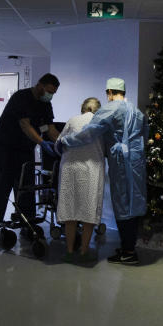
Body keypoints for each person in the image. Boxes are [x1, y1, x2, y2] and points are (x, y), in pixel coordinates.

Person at [58, 77, 147, 265]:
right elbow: (144, 135)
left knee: (123, 207)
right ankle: (127, 246)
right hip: (136, 162)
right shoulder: (136, 111)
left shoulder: (110, 109)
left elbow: (89, 132)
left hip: (121, 163)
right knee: (133, 204)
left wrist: (66, 141)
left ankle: (129, 252)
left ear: (109, 93)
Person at [0, 73, 61, 241]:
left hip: (26, 149)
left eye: (53, 93)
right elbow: (25, 125)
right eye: (49, 91)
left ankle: (28, 223)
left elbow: (50, 128)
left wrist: (61, 143)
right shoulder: (21, 97)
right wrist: (42, 143)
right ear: (40, 85)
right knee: (3, 187)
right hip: (7, 148)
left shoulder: (45, 104)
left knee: (27, 188)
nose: (50, 95)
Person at [55, 97, 104, 264]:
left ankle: (69, 251)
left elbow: (58, 144)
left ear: (83, 108)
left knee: (70, 210)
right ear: (98, 110)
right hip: (92, 169)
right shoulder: (101, 125)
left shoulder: (72, 120)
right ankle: (84, 251)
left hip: (71, 169)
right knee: (89, 211)